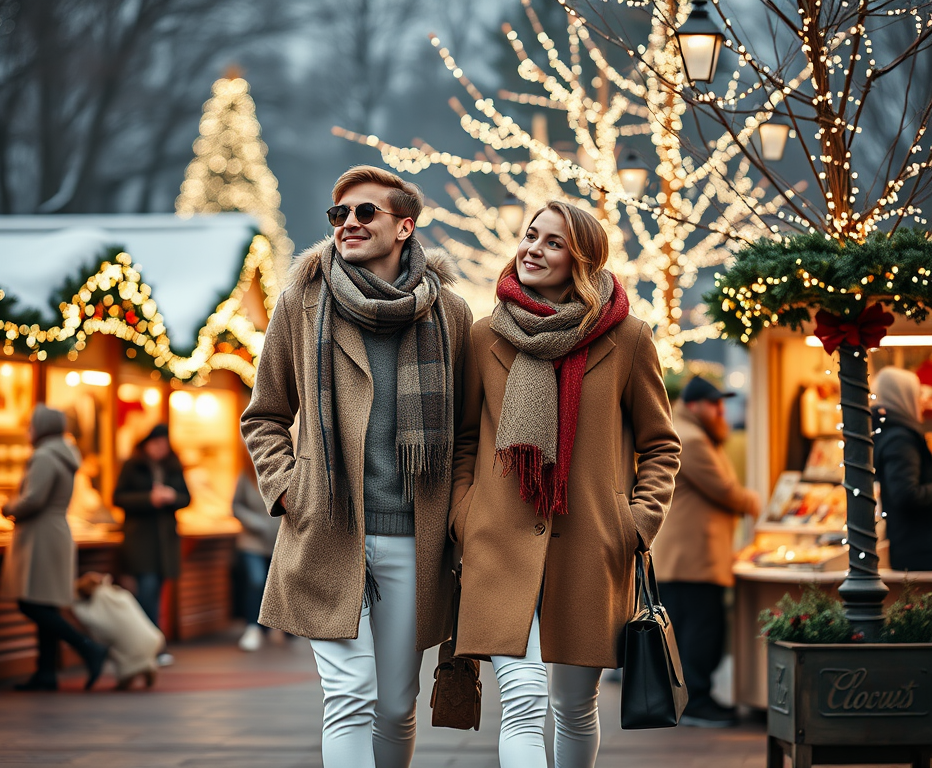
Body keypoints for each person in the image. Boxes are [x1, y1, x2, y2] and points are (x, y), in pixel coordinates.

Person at [242, 165, 479, 768]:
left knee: (397, 704)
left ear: (404, 226)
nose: (347, 223)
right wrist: (289, 489)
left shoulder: (448, 314)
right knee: (350, 696)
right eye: (338, 214)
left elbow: (467, 431)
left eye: (364, 213)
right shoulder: (303, 301)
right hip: (328, 526)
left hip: (415, 536)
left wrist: (461, 513)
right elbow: (265, 414)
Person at [450, 200, 681, 768]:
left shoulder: (627, 338)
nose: (533, 249)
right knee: (523, 700)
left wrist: (634, 524)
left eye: (552, 242)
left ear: (580, 260)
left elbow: (660, 446)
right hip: (499, 542)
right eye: (531, 235)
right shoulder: (484, 336)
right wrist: (466, 514)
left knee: (575, 708)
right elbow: (463, 444)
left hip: (590, 547)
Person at [652, 375, 761, 728]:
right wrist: (757, 502)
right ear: (695, 405)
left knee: (690, 632)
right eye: (714, 404)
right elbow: (725, 490)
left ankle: (690, 700)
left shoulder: (692, 432)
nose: (721, 411)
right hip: (691, 559)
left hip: (689, 558)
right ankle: (696, 701)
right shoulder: (693, 439)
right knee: (702, 632)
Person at [0, 404, 109, 691]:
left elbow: (33, 499)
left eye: (31, 425)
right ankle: (46, 672)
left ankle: (88, 648)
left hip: (40, 535)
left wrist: (8, 507)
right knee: (44, 603)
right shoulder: (63, 452)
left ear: (42, 427)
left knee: (31, 603)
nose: (28, 431)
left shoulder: (45, 455)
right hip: (54, 531)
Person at [113, 423, 190, 667]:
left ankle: (151, 646)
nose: (160, 448)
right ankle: (150, 646)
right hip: (140, 541)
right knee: (145, 593)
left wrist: (171, 497)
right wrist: (149, 499)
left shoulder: (173, 466)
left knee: (156, 593)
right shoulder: (131, 466)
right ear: (146, 444)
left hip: (165, 542)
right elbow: (118, 497)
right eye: (156, 444)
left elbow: (186, 497)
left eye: (164, 444)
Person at [872, 366, 932, 571]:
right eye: (917, 394)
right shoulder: (900, 438)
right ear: (904, 396)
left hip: (911, 545)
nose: (921, 400)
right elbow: (906, 493)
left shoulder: (892, 431)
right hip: (919, 548)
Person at [232, 467, 282, 652]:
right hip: (251, 541)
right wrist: (254, 522)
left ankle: (273, 626)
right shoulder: (246, 475)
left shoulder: (283, 470)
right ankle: (252, 626)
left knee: (276, 585)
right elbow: (235, 506)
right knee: (256, 580)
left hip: (278, 541)